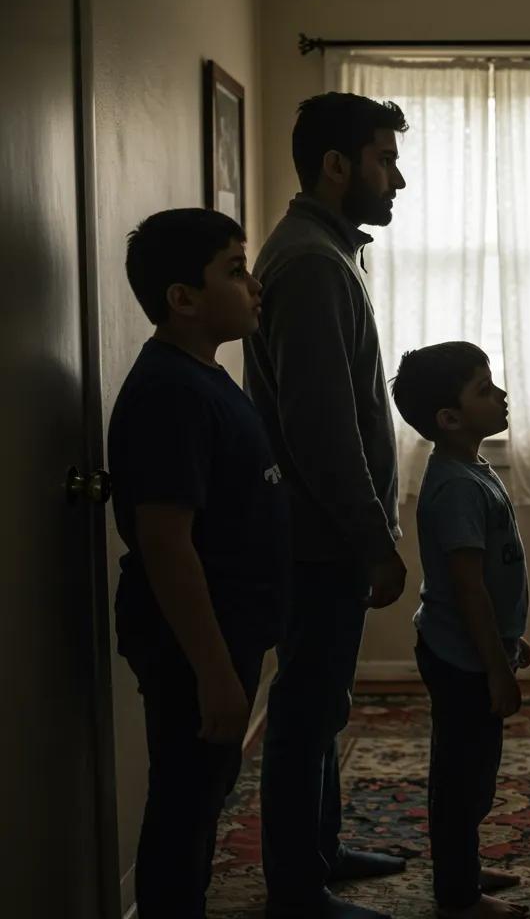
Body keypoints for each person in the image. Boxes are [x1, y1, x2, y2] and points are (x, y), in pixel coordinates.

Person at [244, 93, 410, 919]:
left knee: (323, 701)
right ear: (336, 166)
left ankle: (321, 850)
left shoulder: (327, 250)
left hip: (322, 536)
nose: (398, 178)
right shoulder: (310, 261)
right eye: (385, 159)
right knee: (306, 710)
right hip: (316, 541)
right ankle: (298, 892)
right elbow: (320, 427)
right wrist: (374, 539)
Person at [108, 208, 288, 919]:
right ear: (182, 297)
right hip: (191, 644)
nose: (254, 286)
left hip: (228, 632)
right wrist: (212, 669)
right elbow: (165, 541)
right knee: (185, 805)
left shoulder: (205, 376)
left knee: (203, 797)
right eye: (235, 271)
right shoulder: (170, 394)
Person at [391, 342, 530, 919]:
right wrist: (496, 667)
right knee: (461, 780)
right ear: (448, 419)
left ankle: (464, 867)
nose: (499, 395)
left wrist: (506, 641)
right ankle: (458, 893)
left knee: (477, 772)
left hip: (475, 650)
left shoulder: (472, 468)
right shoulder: (454, 489)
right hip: (460, 658)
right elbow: (469, 590)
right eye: (483, 388)